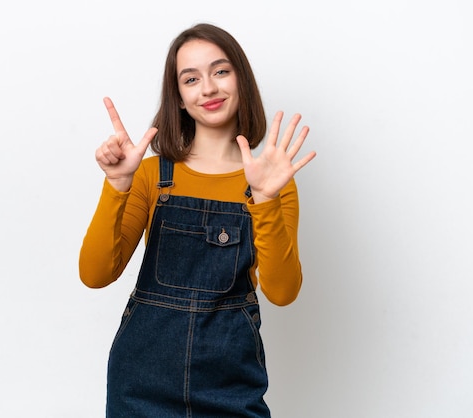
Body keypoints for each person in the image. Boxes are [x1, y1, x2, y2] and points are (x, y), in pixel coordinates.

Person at [79, 22, 316, 417]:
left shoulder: (271, 184)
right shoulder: (152, 176)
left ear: (242, 80)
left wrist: (265, 199)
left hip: (230, 384)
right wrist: (118, 185)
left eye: (220, 71)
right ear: (180, 99)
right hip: (141, 381)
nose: (208, 88)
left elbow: (282, 291)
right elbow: (95, 273)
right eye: (191, 79)